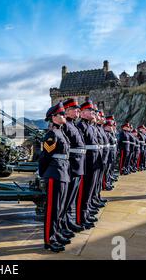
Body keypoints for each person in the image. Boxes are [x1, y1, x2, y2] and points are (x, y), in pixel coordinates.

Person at [39, 102, 71, 252]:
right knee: (52, 209)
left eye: (64, 114)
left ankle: (56, 234)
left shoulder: (61, 132)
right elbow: (45, 157)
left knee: (60, 208)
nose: (64, 116)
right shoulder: (51, 134)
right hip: (54, 174)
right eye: (62, 114)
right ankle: (49, 240)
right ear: (53, 117)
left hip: (63, 172)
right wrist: (44, 174)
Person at [61, 98, 86, 234]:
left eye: (78, 109)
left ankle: (69, 221)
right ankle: (64, 224)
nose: (78, 111)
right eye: (75, 109)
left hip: (78, 165)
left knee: (72, 198)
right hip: (71, 166)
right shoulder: (65, 125)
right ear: (67, 111)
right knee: (66, 198)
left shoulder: (73, 125)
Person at [76, 99, 100, 230]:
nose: (93, 112)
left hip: (94, 161)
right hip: (87, 163)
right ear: (83, 113)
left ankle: (86, 213)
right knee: (84, 192)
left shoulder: (89, 126)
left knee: (90, 190)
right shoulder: (81, 126)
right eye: (90, 110)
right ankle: (81, 218)